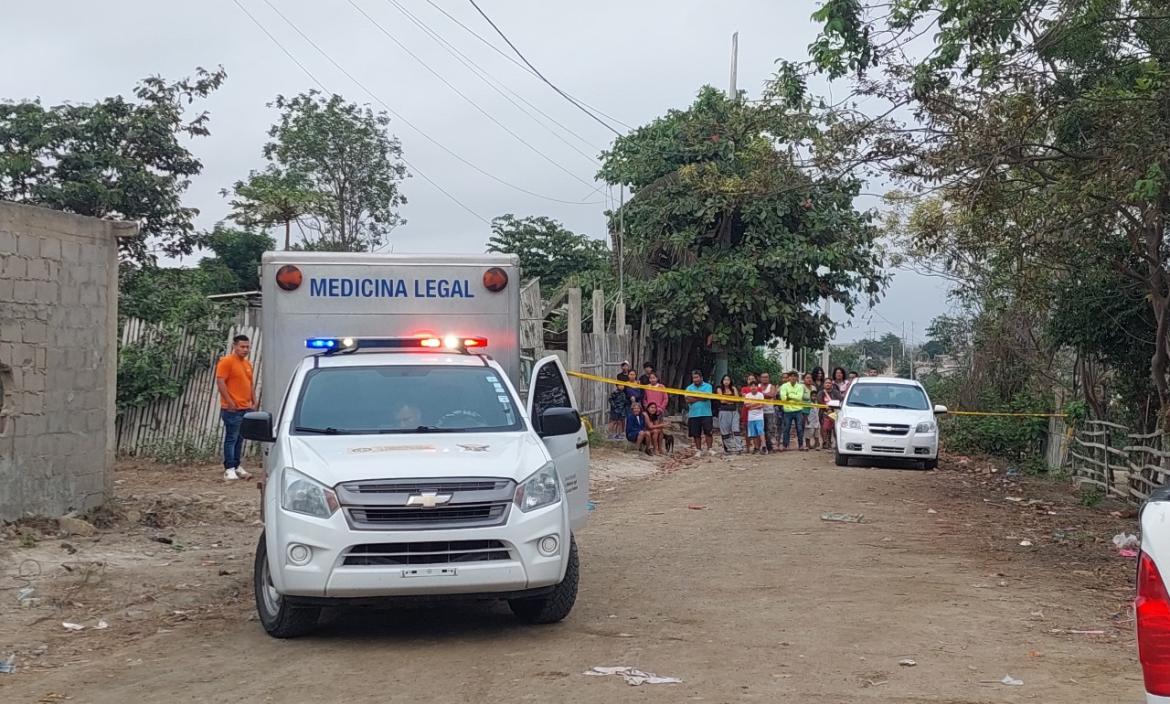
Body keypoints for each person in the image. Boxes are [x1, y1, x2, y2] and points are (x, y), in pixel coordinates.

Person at [215, 334, 256, 481]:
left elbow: (250, 384)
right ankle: (229, 468)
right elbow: (221, 382)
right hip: (232, 409)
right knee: (231, 438)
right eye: (242, 346)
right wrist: (230, 402)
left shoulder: (247, 364)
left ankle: (237, 465)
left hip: (245, 408)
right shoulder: (226, 362)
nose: (245, 349)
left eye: (247, 347)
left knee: (240, 438)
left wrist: (253, 401)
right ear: (234, 346)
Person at [684, 369, 715, 457]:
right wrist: (700, 397)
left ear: (701, 377)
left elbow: (706, 397)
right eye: (694, 378)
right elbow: (687, 399)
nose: (695, 380)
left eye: (697, 377)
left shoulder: (708, 386)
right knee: (696, 433)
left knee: (708, 432)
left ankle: (710, 449)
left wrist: (694, 397)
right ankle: (698, 450)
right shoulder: (689, 388)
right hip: (694, 414)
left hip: (706, 413)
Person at [715, 374, 743, 455]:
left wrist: (729, 400)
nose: (726, 381)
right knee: (725, 431)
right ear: (722, 381)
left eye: (728, 380)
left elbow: (737, 399)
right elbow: (722, 401)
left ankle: (739, 447)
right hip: (724, 411)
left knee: (736, 429)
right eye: (725, 380)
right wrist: (731, 400)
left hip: (734, 411)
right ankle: (729, 448)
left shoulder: (733, 388)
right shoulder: (719, 388)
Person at [779, 370, 806, 451]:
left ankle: (801, 445)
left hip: (798, 410)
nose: (793, 377)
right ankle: (785, 445)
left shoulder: (800, 386)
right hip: (787, 410)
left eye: (795, 376)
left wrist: (789, 396)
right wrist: (794, 396)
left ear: (797, 377)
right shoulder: (784, 386)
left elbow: (799, 397)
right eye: (791, 376)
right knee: (786, 428)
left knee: (799, 428)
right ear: (789, 378)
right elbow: (783, 398)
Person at [759, 371, 779, 454]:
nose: (765, 379)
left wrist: (761, 394)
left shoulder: (772, 386)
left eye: (766, 377)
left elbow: (772, 395)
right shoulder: (758, 386)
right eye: (763, 377)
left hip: (769, 411)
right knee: (761, 429)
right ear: (760, 378)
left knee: (770, 429)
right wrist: (765, 394)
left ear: (769, 378)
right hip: (759, 410)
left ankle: (770, 446)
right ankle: (762, 446)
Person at [743, 382, 766, 454]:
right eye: (752, 386)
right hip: (751, 417)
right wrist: (756, 404)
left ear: (757, 387)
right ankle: (756, 447)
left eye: (755, 386)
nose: (753, 387)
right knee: (754, 433)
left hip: (759, 417)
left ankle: (764, 446)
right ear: (750, 387)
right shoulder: (747, 395)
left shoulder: (760, 395)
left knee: (760, 431)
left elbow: (761, 405)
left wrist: (752, 405)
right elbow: (747, 405)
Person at [820, 378, 841, 449]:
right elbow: (820, 402)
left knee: (835, 428)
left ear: (832, 384)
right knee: (825, 429)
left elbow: (839, 400)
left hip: (835, 412)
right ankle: (826, 443)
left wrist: (831, 409)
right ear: (824, 384)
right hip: (824, 413)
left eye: (829, 383)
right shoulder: (821, 393)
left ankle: (836, 444)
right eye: (826, 383)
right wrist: (827, 409)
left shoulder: (836, 392)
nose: (828, 384)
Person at [802, 372, 820, 450]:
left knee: (817, 430)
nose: (809, 379)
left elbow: (816, 397)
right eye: (807, 378)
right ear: (804, 379)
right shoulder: (801, 387)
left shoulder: (813, 387)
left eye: (810, 378)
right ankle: (807, 445)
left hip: (815, 412)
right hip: (806, 410)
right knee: (808, 430)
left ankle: (817, 444)